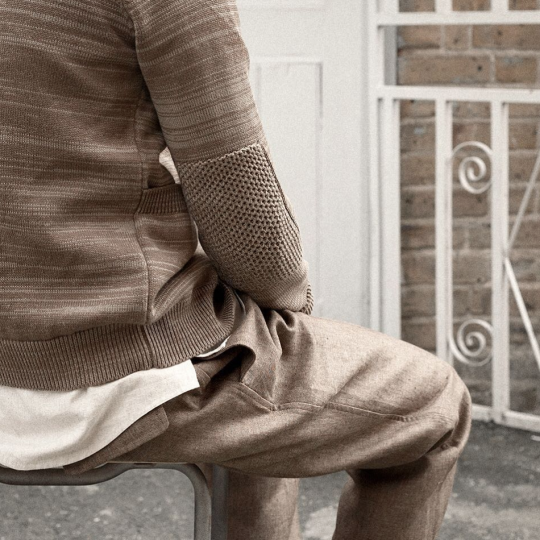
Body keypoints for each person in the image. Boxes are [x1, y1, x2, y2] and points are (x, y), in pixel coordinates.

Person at [0, 0, 472, 538]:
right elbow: (243, 211)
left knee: (254, 349)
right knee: (435, 408)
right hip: (103, 370)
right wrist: (290, 303)